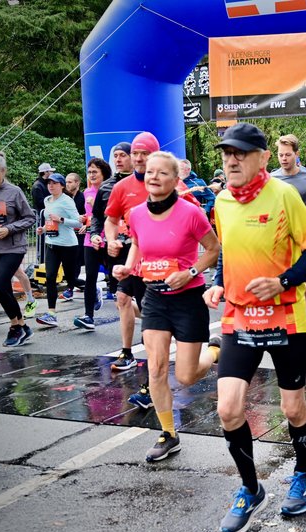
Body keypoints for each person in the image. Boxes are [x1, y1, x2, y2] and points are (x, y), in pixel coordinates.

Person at [205, 123, 306, 532]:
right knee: (228, 408)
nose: (231, 159)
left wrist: (284, 281)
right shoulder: (221, 200)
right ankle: (249, 487)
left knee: (292, 409)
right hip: (239, 318)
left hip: (285, 318)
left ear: (262, 158)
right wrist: (218, 283)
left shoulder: (285, 195)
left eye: (240, 153)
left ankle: (303, 473)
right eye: (226, 153)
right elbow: (226, 252)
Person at [113, 151, 220, 461]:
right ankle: (169, 434)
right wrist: (127, 267)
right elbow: (136, 244)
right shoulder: (136, 214)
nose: (154, 177)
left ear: (176, 180)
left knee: (186, 376)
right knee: (157, 369)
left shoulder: (191, 213)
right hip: (156, 298)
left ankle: (214, 351)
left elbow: (213, 250)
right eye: (150, 172)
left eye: (162, 173)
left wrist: (189, 272)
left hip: (188, 299)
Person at [104, 133, 159, 372]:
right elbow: (111, 220)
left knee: (151, 311)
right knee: (122, 298)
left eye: (144, 153)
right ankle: (127, 353)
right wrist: (111, 239)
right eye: (135, 153)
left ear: (154, 155)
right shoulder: (121, 187)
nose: (138, 158)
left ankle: (156, 361)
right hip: (132, 258)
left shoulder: (168, 182)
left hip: (160, 263)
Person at [270, 134, 306, 338]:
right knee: (294, 277)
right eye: (280, 155)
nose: (284, 158)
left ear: (297, 154)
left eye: (287, 154)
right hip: (283, 235)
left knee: (295, 277)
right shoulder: (272, 177)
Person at [0, 152, 35, 346]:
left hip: (13, 247)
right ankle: (21, 325)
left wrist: (8, 229)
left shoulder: (14, 192)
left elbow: (30, 217)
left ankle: (16, 326)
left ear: (3, 171)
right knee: (3, 288)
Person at [35, 173, 81, 328]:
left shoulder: (67, 201)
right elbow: (50, 221)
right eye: (49, 183)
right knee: (50, 277)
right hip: (51, 243)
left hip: (68, 245)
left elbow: (78, 223)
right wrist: (43, 229)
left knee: (70, 279)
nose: (51, 186)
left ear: (62, 185)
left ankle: (92, 289)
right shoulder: (46, 200)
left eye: (54, 183)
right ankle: (51, 313)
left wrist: (61, 220)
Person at [90, 142, 133, 302]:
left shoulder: (146, 183)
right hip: (115, 248)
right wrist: (94, 234)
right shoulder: (106, 187)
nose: (118, 160)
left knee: (142, 297)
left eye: (123, 155)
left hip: (139, 247)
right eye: (115, 156)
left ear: (132, 157)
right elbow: (97, 216)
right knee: (121, 297)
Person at [73, 158, 111, 330]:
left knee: (118, 278)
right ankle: (88, 316)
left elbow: (111, 213)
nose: (92, 175)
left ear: (104, 173)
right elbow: (91, 216)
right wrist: (83, 221)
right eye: (89, 172)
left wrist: (96, 205)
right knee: (90, 277)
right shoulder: (87, 192)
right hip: (91, 239)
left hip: (110, 238)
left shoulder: (111, 190)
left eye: (95, 171)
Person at [64, 172, 87, 290]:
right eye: (66, 182)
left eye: (70, 182)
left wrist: (84, 220)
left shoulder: (83, 197)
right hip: (66, 233)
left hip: (80, 233)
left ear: (77, 183)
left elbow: (88, 214)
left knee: (77, 260)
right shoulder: (64, 197)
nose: (67, 184)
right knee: (68, 261)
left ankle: (71, 288)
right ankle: (76, 284)